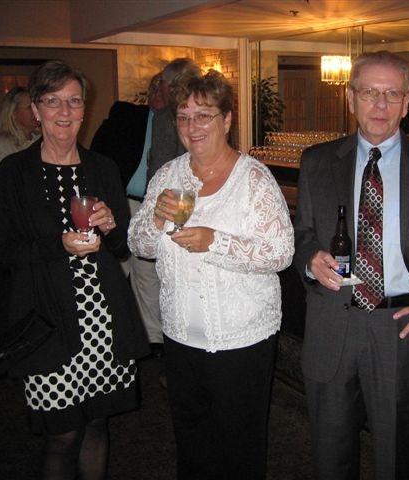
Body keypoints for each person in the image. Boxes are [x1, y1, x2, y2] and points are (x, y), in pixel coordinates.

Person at [293, 50, 409, 480]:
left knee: (396, 458)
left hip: (401, 329)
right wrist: (310, 260)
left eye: (391, 94)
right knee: (330, 458)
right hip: (333, 322)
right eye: (369, 92)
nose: (380, 105)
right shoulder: (316, 161)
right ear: (351, 99)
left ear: (407, 103)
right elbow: (302, 233)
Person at [128, 69, 294, 479]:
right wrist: (153, 219)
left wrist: (215, 243)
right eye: (183, 116)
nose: (191, 126)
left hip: (242, 343)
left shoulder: (254, 179)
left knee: (240, 450)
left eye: (203, 115)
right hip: (181, 339)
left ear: (227, 120)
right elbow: (139, 246)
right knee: (192, 445)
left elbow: (281, 252)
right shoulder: (168, 176)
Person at [0, 60, 149, 480]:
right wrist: (56, 246)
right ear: (36, 110)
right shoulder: (15, 172)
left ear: (84, 109)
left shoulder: (102, 168)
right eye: (52, 101)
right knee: (61, 436)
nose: (64, 111)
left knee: (97, 422)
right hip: (47, 319)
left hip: (102, 320)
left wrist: (113, 226)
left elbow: (119, 247)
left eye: (73, 101)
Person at [90, 72, 167, 363]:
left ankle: (151, 339)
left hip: (154, 208)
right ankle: (107, 330)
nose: (156, 91)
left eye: (163, 86)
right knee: (116, 267)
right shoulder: (127, 115)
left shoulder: (178, 124)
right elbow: (99, 153)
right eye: (153, 86)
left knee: (146, 273)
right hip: (123, 204)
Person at [0, 85, 40, 186]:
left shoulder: (42, 141)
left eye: (36, 106)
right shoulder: (0, 147)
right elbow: (1, 187)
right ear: (13, 112)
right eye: (29, 107)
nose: (35, 111)